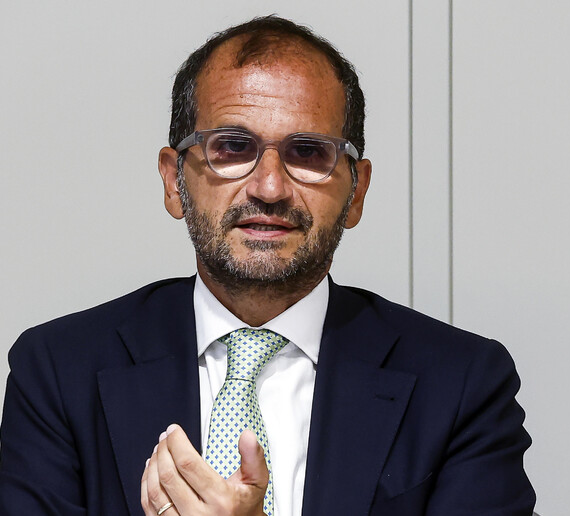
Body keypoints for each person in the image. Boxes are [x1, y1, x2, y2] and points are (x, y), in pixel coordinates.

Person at [0, 15, 536, 516]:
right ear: (174, 182)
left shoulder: (463, 383)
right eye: (233, 147)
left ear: (356, 193)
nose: (270, 187)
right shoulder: (57, 371)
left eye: (308, 153)